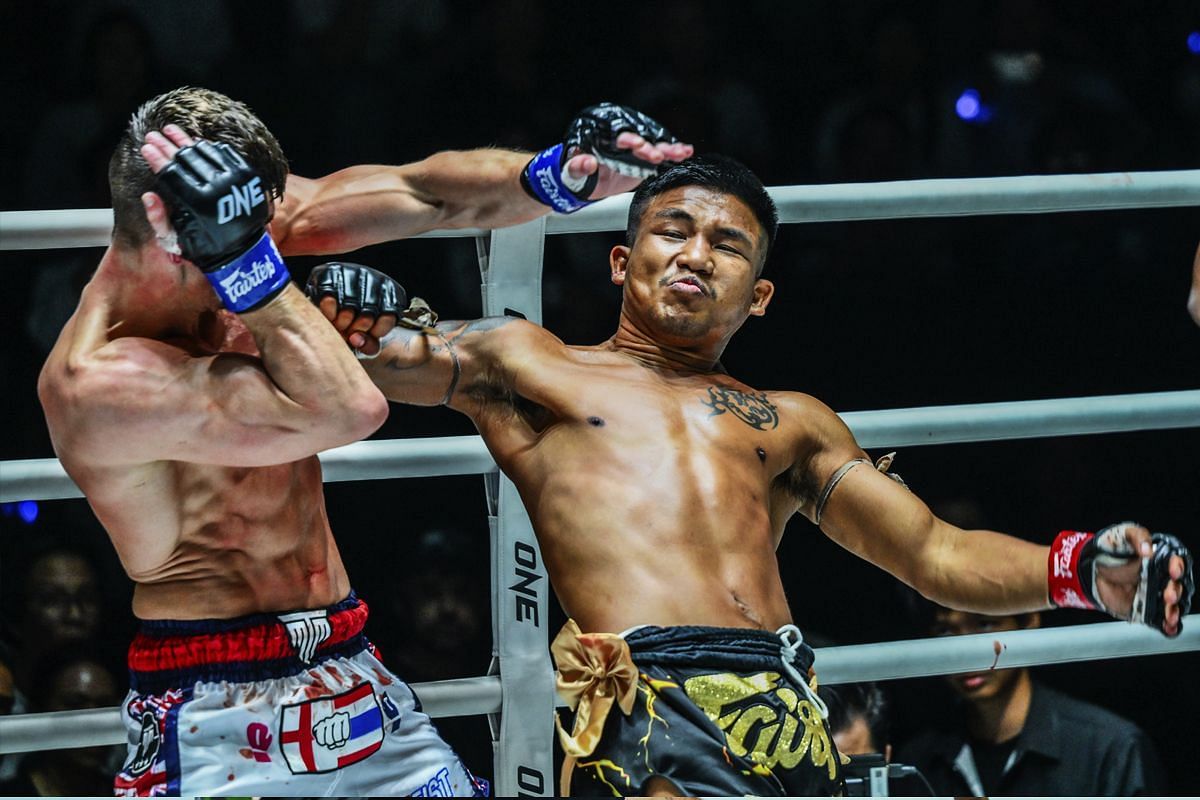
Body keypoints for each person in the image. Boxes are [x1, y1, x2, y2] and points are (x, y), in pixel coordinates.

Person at [306, 154, 1194, 797]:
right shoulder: (532, 365)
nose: (696, 255)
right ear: (623, 260)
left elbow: (934, 552)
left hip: (787, 700)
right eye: (672, 231)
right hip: (651, 704)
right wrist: (349, 318)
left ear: (758, 295)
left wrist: (1081, 572)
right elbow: (379, 367)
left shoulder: (792, 423)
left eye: (728, 246)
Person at [37, 86, 688, 796]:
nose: (273, 234)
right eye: (251, 232)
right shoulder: (96, 380)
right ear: (171, 230)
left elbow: (424, 191)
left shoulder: (235, 232)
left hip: (347, 656)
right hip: (212, 714)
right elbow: (349, 410)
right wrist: (249, 266)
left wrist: (561, 174)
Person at [898, 605, 1167, 796]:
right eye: (946, 631)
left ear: (1028, 623)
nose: (967, 650)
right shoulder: (916, 763)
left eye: (984, 624)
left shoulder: (1110, 750)